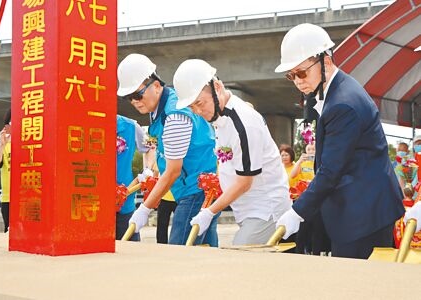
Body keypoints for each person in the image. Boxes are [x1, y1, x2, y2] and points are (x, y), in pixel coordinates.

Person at [274, 23, 405, 259]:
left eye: (302, 72)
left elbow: (331, 170)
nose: (297, 81)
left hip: (363, 215)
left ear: (325, 62)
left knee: (359, 287)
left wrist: (297, 212)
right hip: (361, 207)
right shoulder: (338, 91)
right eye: (291, 75)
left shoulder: (342, 104)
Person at [173, 59, 291, 245]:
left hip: (266, 209)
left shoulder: (243, 123)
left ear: (217, 87)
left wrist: (210, 212)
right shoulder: (220, 118)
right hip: (247, 209)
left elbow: (244, 182)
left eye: (199, 103)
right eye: (191, 107)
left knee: (239, 258)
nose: (197, 111)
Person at [117, 53, 219, 246]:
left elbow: (173, 170)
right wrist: (152, 171)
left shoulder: (174, 116)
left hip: (196, 191)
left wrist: (145, 208)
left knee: (179, 252)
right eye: (129, 97)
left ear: (156, 85)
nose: (135, 101)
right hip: (197, 189)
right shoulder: (160, 110)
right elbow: (166, 155)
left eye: (138, 94)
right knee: (207, 253)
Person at [115, 115, 154, 241]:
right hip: (92, 204)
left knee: (129, 250)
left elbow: (151, 144)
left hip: (124, 197)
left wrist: (148, 169)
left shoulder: (130, 126)